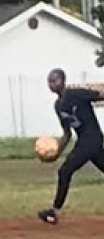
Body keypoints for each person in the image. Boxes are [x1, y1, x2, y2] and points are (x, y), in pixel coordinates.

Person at [39, 68, 104, 225]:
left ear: (63, 80)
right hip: (85, 140)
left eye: (55, 80)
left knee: (65, 171)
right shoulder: (58, 106)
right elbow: (67, 133)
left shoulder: (75, 94)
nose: (52, 84)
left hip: (92, 139)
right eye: (49, 81)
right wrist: (56, 152)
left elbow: (100, 95)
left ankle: (54, 212)